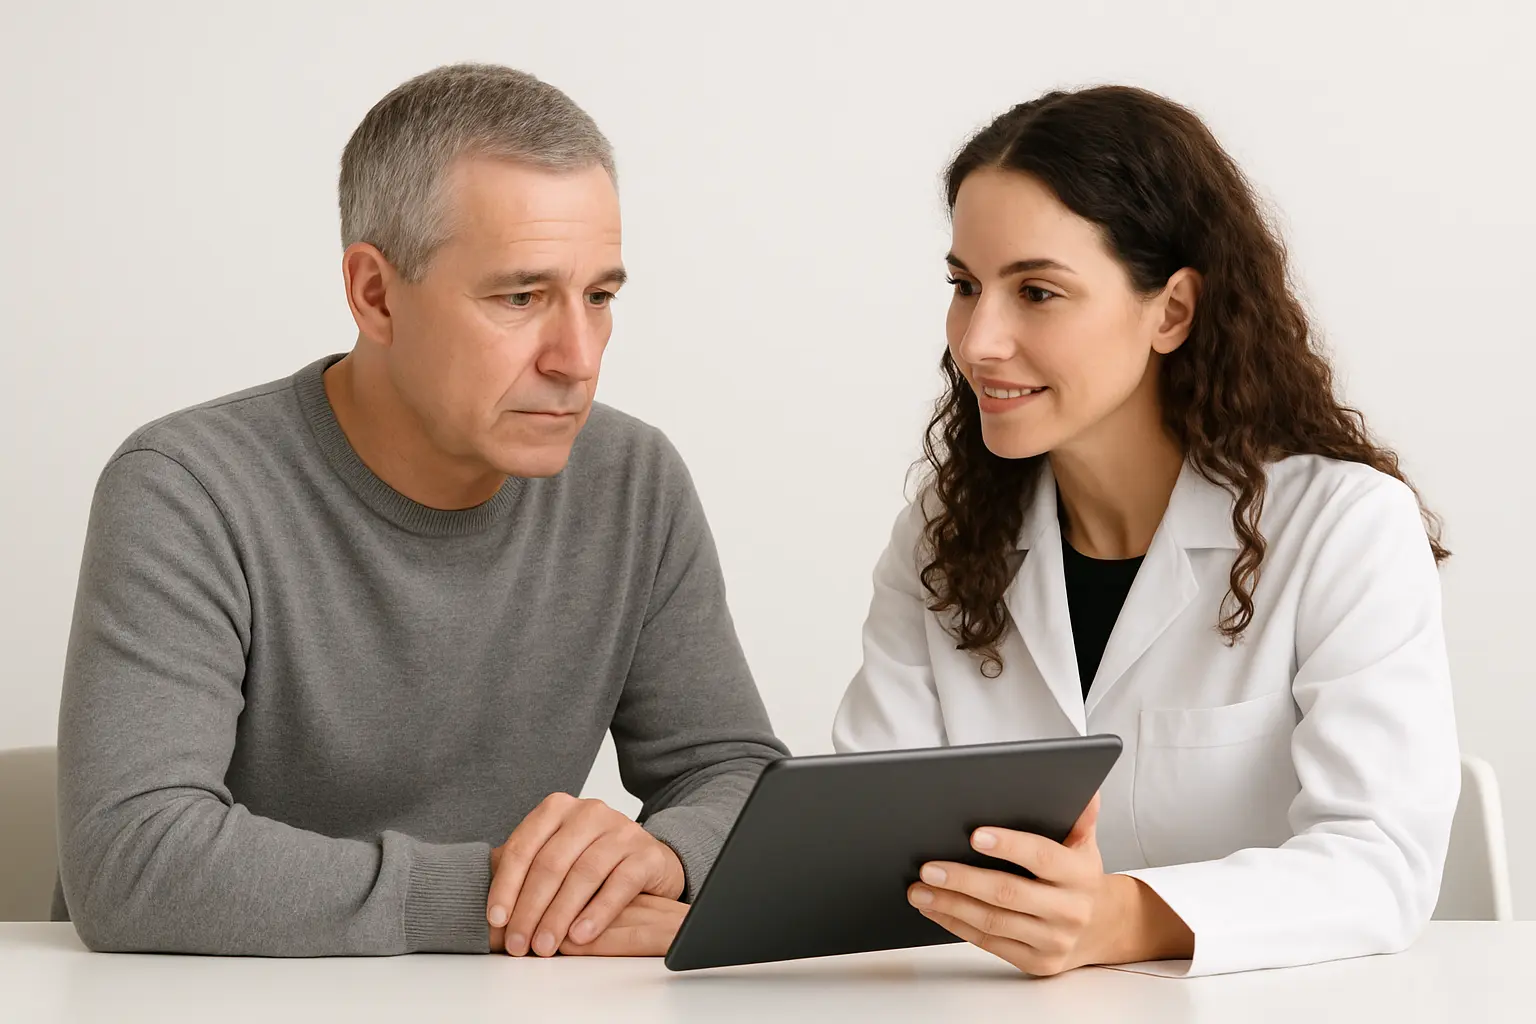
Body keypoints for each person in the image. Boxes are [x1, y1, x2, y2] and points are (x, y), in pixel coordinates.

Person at [55, 62, 787, 958]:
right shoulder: (188, 487)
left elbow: (734, 773)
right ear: (375, 294)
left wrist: (661, 858)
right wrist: (502, 902)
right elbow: (132, 859)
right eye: (520, 297)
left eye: (599, 297)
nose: (578, 357)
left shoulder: (634, 480)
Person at [833, 85, 1459, 978]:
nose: (977, 341)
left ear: (1171, 311)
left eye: (1037, 291)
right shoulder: (943, 535)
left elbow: (1381, 863)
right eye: (965, 287)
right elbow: (867, 846)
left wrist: (1118, 918)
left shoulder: (1343, 527)